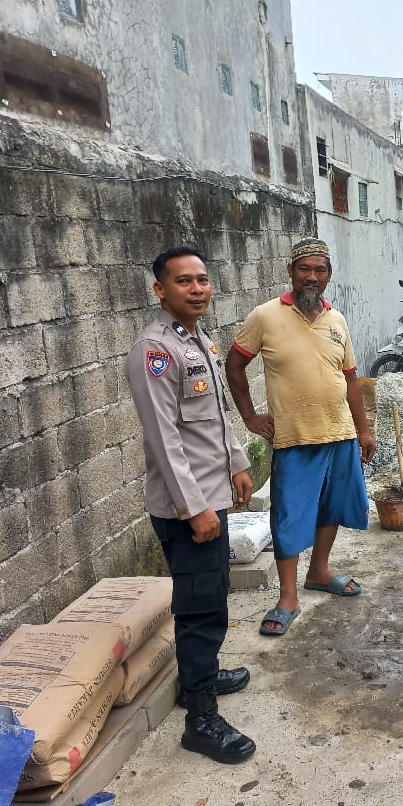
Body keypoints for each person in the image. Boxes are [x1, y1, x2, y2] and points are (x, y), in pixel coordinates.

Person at [125, 245, 256, 764]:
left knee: (210, 595)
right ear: (160, 290)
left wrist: (240, 463)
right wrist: (196, 507)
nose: (197, 288)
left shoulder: (196, 340)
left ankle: (199, 676)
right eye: (184, 281)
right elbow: (163, 437)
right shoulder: (154, 351)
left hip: (211, 494)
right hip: (188, 508)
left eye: (202, 279)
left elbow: (216, 418)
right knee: (202, 608)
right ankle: (200, 719)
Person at [225, 238, 377, 637]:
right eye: (305, 269)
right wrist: (250, 416)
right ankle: (288, 596)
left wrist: (364, 430)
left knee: (333, 507)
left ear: (329, 276)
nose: (312, 277)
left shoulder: (337, 320)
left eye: (320, 270)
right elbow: (234, 365)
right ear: (290, 271)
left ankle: (320, 570)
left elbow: (350, 381)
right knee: (290, 514)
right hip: (294, 437)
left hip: (340, 432)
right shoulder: (264, 316)